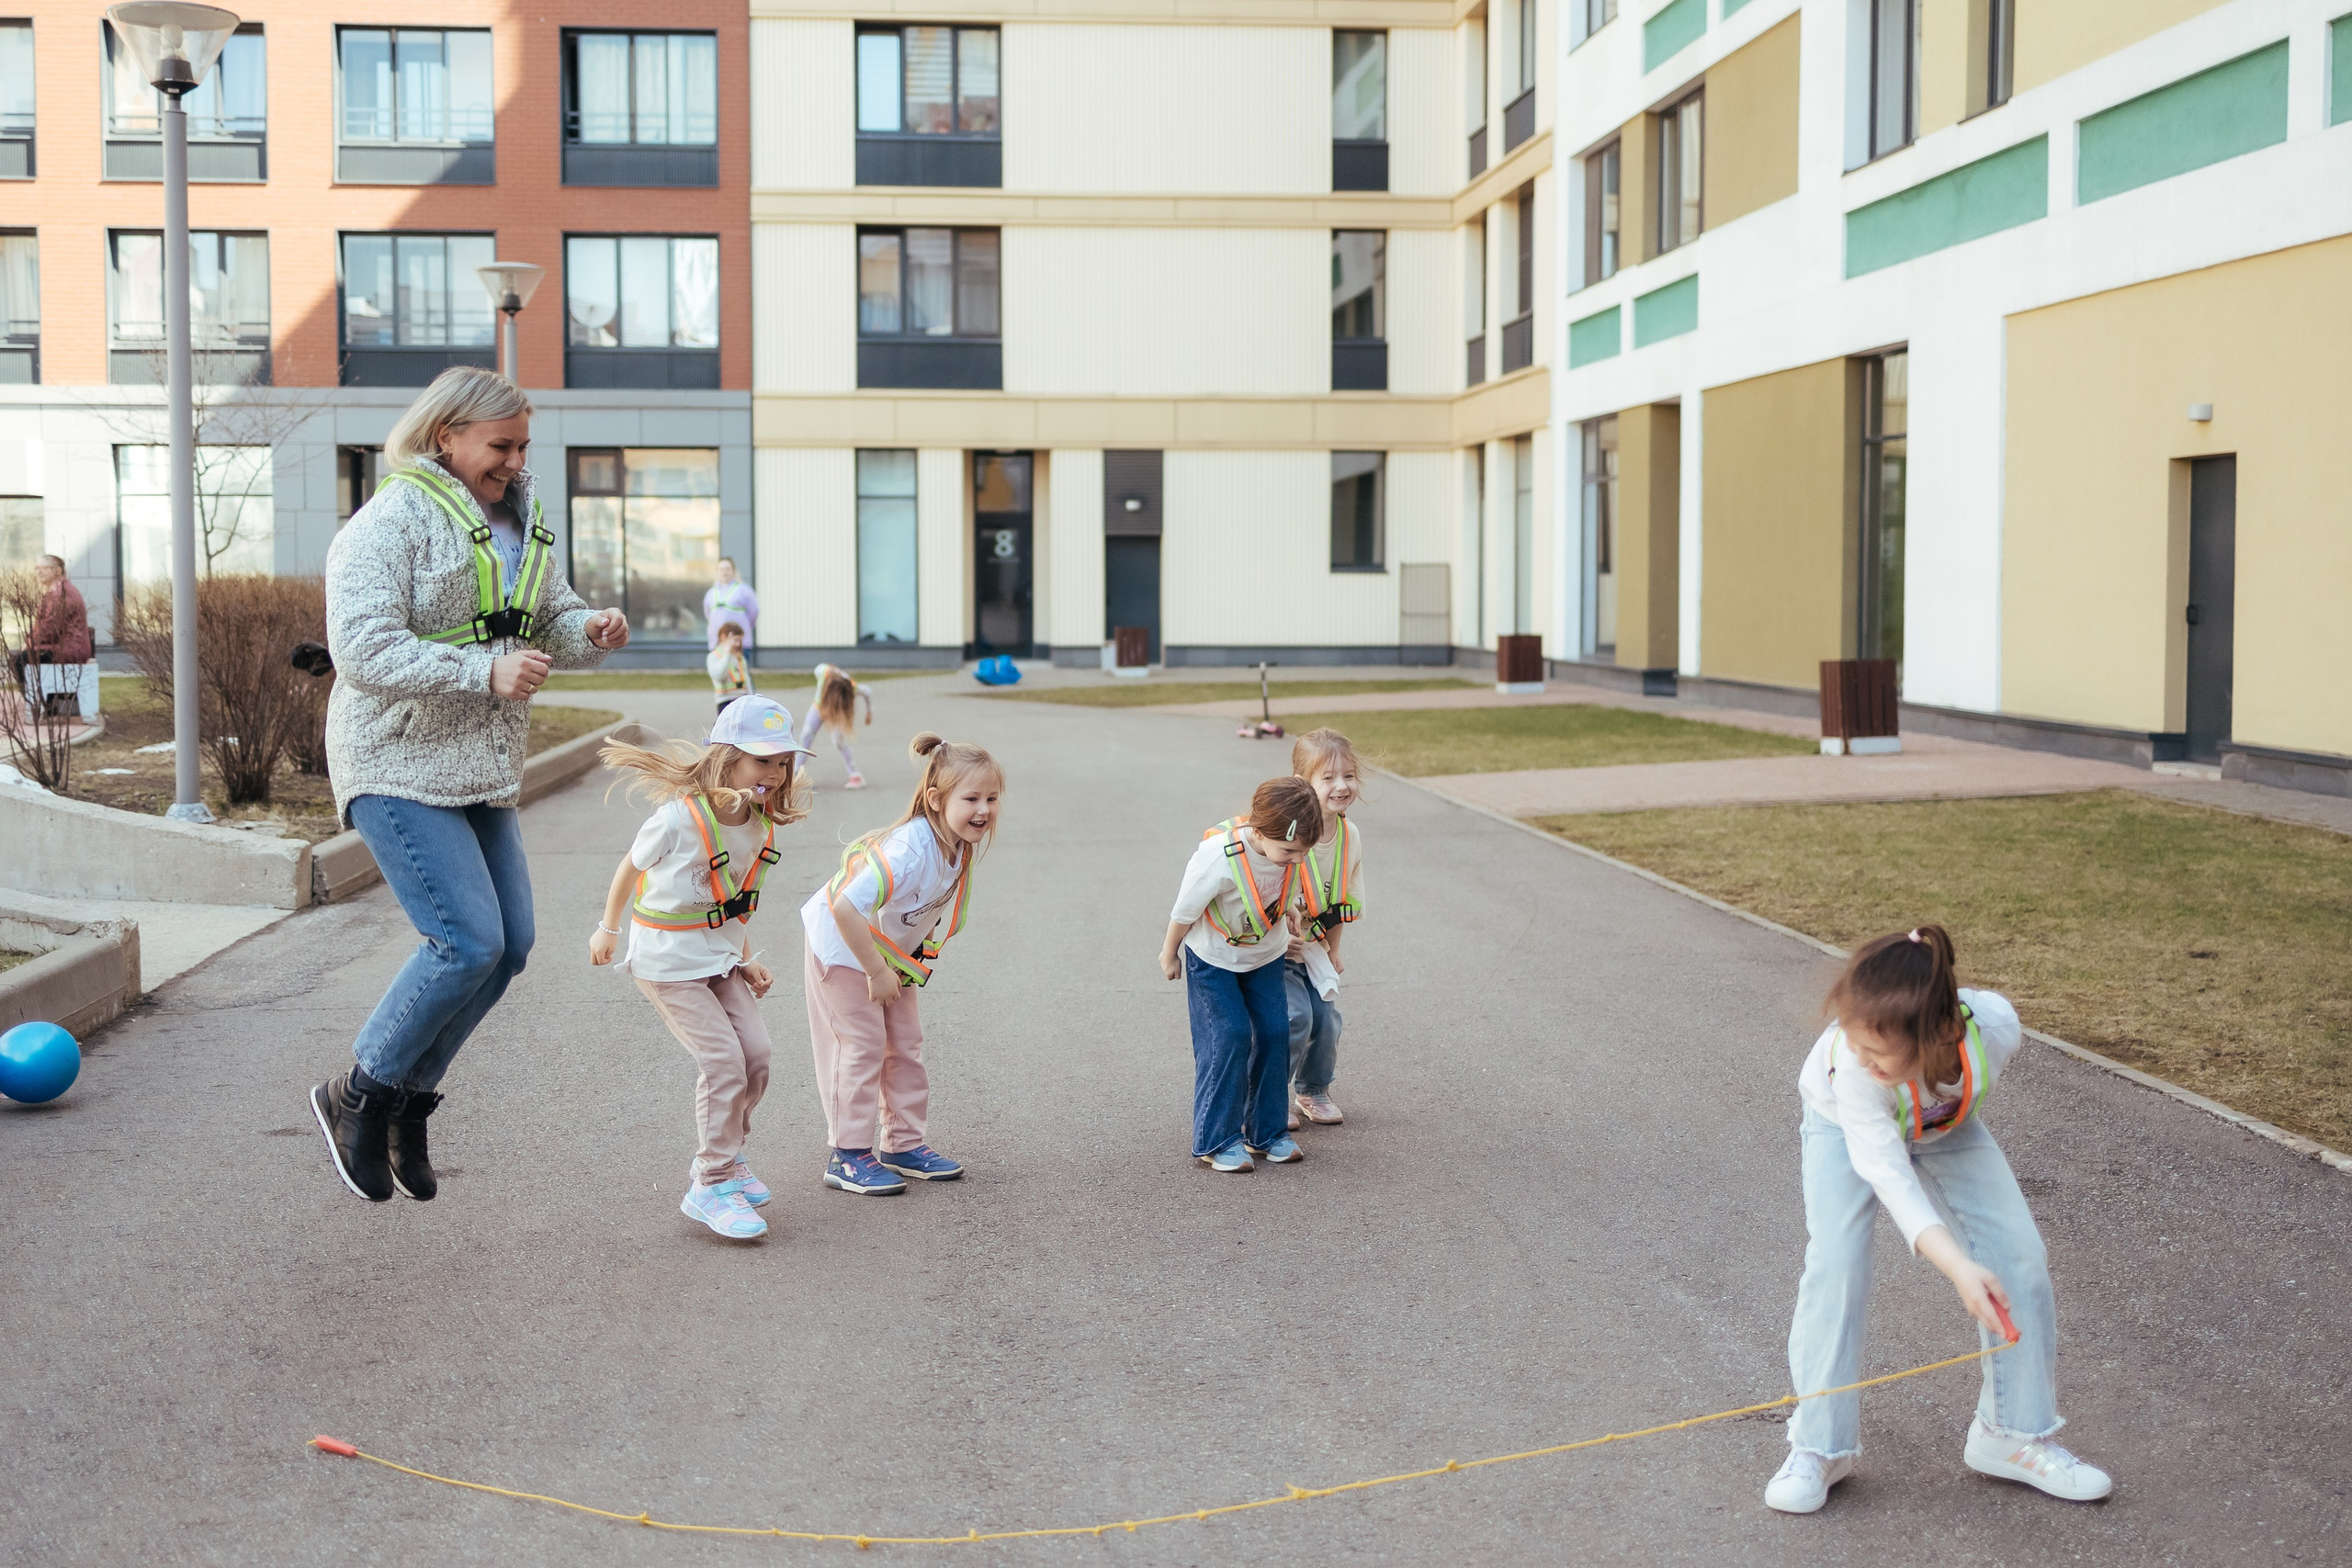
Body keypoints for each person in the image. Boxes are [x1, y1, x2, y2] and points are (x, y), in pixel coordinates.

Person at [312, 367, 630, 1204]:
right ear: (445, 434)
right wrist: (482, 671)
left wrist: (589, 629)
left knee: (511, 945)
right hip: (395, 756)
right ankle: (361, 1090)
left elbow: (547, 618)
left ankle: (410, 1104)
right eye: (502, 445)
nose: (517, 461)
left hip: (478, 765)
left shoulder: (520, 518)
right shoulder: (387, 524)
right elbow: (364, 649)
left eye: (524, 445)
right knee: (465, 939)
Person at [1767, 924, 2113, 1515]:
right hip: (1844, 1124)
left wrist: (1979, 1256)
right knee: (1838, 1264)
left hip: (1944, 1125)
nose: (1859, 1057)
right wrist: (1957, 1267)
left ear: (1943, 1033)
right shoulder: (1853, 1074)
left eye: (1876, 1052)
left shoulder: (1995, 1025)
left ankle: (2013, 1435)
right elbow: (1892, 1181)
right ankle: (1822, 1446)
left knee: (2019, 1256)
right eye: (1852, 1044)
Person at [589, 696, 813, 1241]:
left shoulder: (758, 825)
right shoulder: (676, 819)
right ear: (727, 758)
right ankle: (710, 1183)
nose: (776, 773)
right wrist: (608, 928)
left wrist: (746, 957)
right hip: (667, 962)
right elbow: (630, 868)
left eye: (783, 762)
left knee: (756, 1058)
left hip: (719, 958)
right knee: (722, 1063)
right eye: (763, 761)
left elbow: (730, 896)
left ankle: (730, 1159)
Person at [800, 732, 1001, 1196]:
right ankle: (847, 1155)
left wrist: (900, 964)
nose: (984, 809)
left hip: (891, 957)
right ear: (935, 799)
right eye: (971, 798)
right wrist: (875, 971)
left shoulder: (957, 845)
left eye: (991, 798)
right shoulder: (909, 849)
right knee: (862, 1044)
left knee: (905, 1044)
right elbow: (845, 907)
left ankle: (902, 1145)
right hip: (844, 949)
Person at [1159, 778, 1322, 1173]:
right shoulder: (1219, 857)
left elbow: (1281, 889)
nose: (1297, 860)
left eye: (1304, 853)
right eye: (1289, 852)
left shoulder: (1289, 852)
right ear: (1260, 832)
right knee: (1228, 1035)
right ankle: (1216, 1139)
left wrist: (1292, 911)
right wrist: (1169, 953)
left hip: (1264, 955)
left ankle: (1266, 1133)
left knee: (1274, 1032)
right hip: (1214, 959)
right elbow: (1184, 909)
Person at [1284, 728, 1364, 1131]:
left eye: (1348, 776)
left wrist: (1333, 951)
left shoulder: (1348, 835)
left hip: (1315, 948)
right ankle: (1265, 1095)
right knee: (1294, 1017)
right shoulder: (1290, 830)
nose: (1341, 786)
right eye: (1328, 777)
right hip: (1275, 947)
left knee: (1326, 1020)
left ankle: (1313, 1090)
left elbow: (1341, 905)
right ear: (1303, 782)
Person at [9, 554, 93, 697]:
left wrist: (29, 644)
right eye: (37, 568)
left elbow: (49, 629)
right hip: (64, 646)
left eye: (45, 568)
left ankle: (38, 702)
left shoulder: (60, 594)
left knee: (18, 660)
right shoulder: (58, 591)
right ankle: (46, 700)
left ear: (58, 571)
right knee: (20, 656)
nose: (39, 572)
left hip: (69, 649)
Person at [796, 660, 873, 789]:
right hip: (819, 706)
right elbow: (817, 671)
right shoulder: (823, 671)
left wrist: (869, 712)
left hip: (838, 711)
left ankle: (855, 774)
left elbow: (867, 692)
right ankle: (796, 771)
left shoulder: (852, 687)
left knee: (838, 741)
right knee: (806, 734)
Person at [703, 558, 759, 649]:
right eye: (721, 570)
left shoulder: (744, 590)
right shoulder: (711, 593)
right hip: (717, 643)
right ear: (717, 572)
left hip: (739, 644)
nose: (725, 573)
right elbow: (708, 614)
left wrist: (743, 625)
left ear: (734, 571)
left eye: (728, 569)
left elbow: (754, 611)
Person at [707, 615, 753, 715]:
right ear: (723, 637)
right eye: (735, 640)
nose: (738, 644)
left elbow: (747, 680)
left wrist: (751, 698)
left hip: (742, 699)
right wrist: (726, 654)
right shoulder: (714, 657)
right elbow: (718, 676)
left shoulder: (739, 657)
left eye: (740, 641)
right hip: (725, 700)